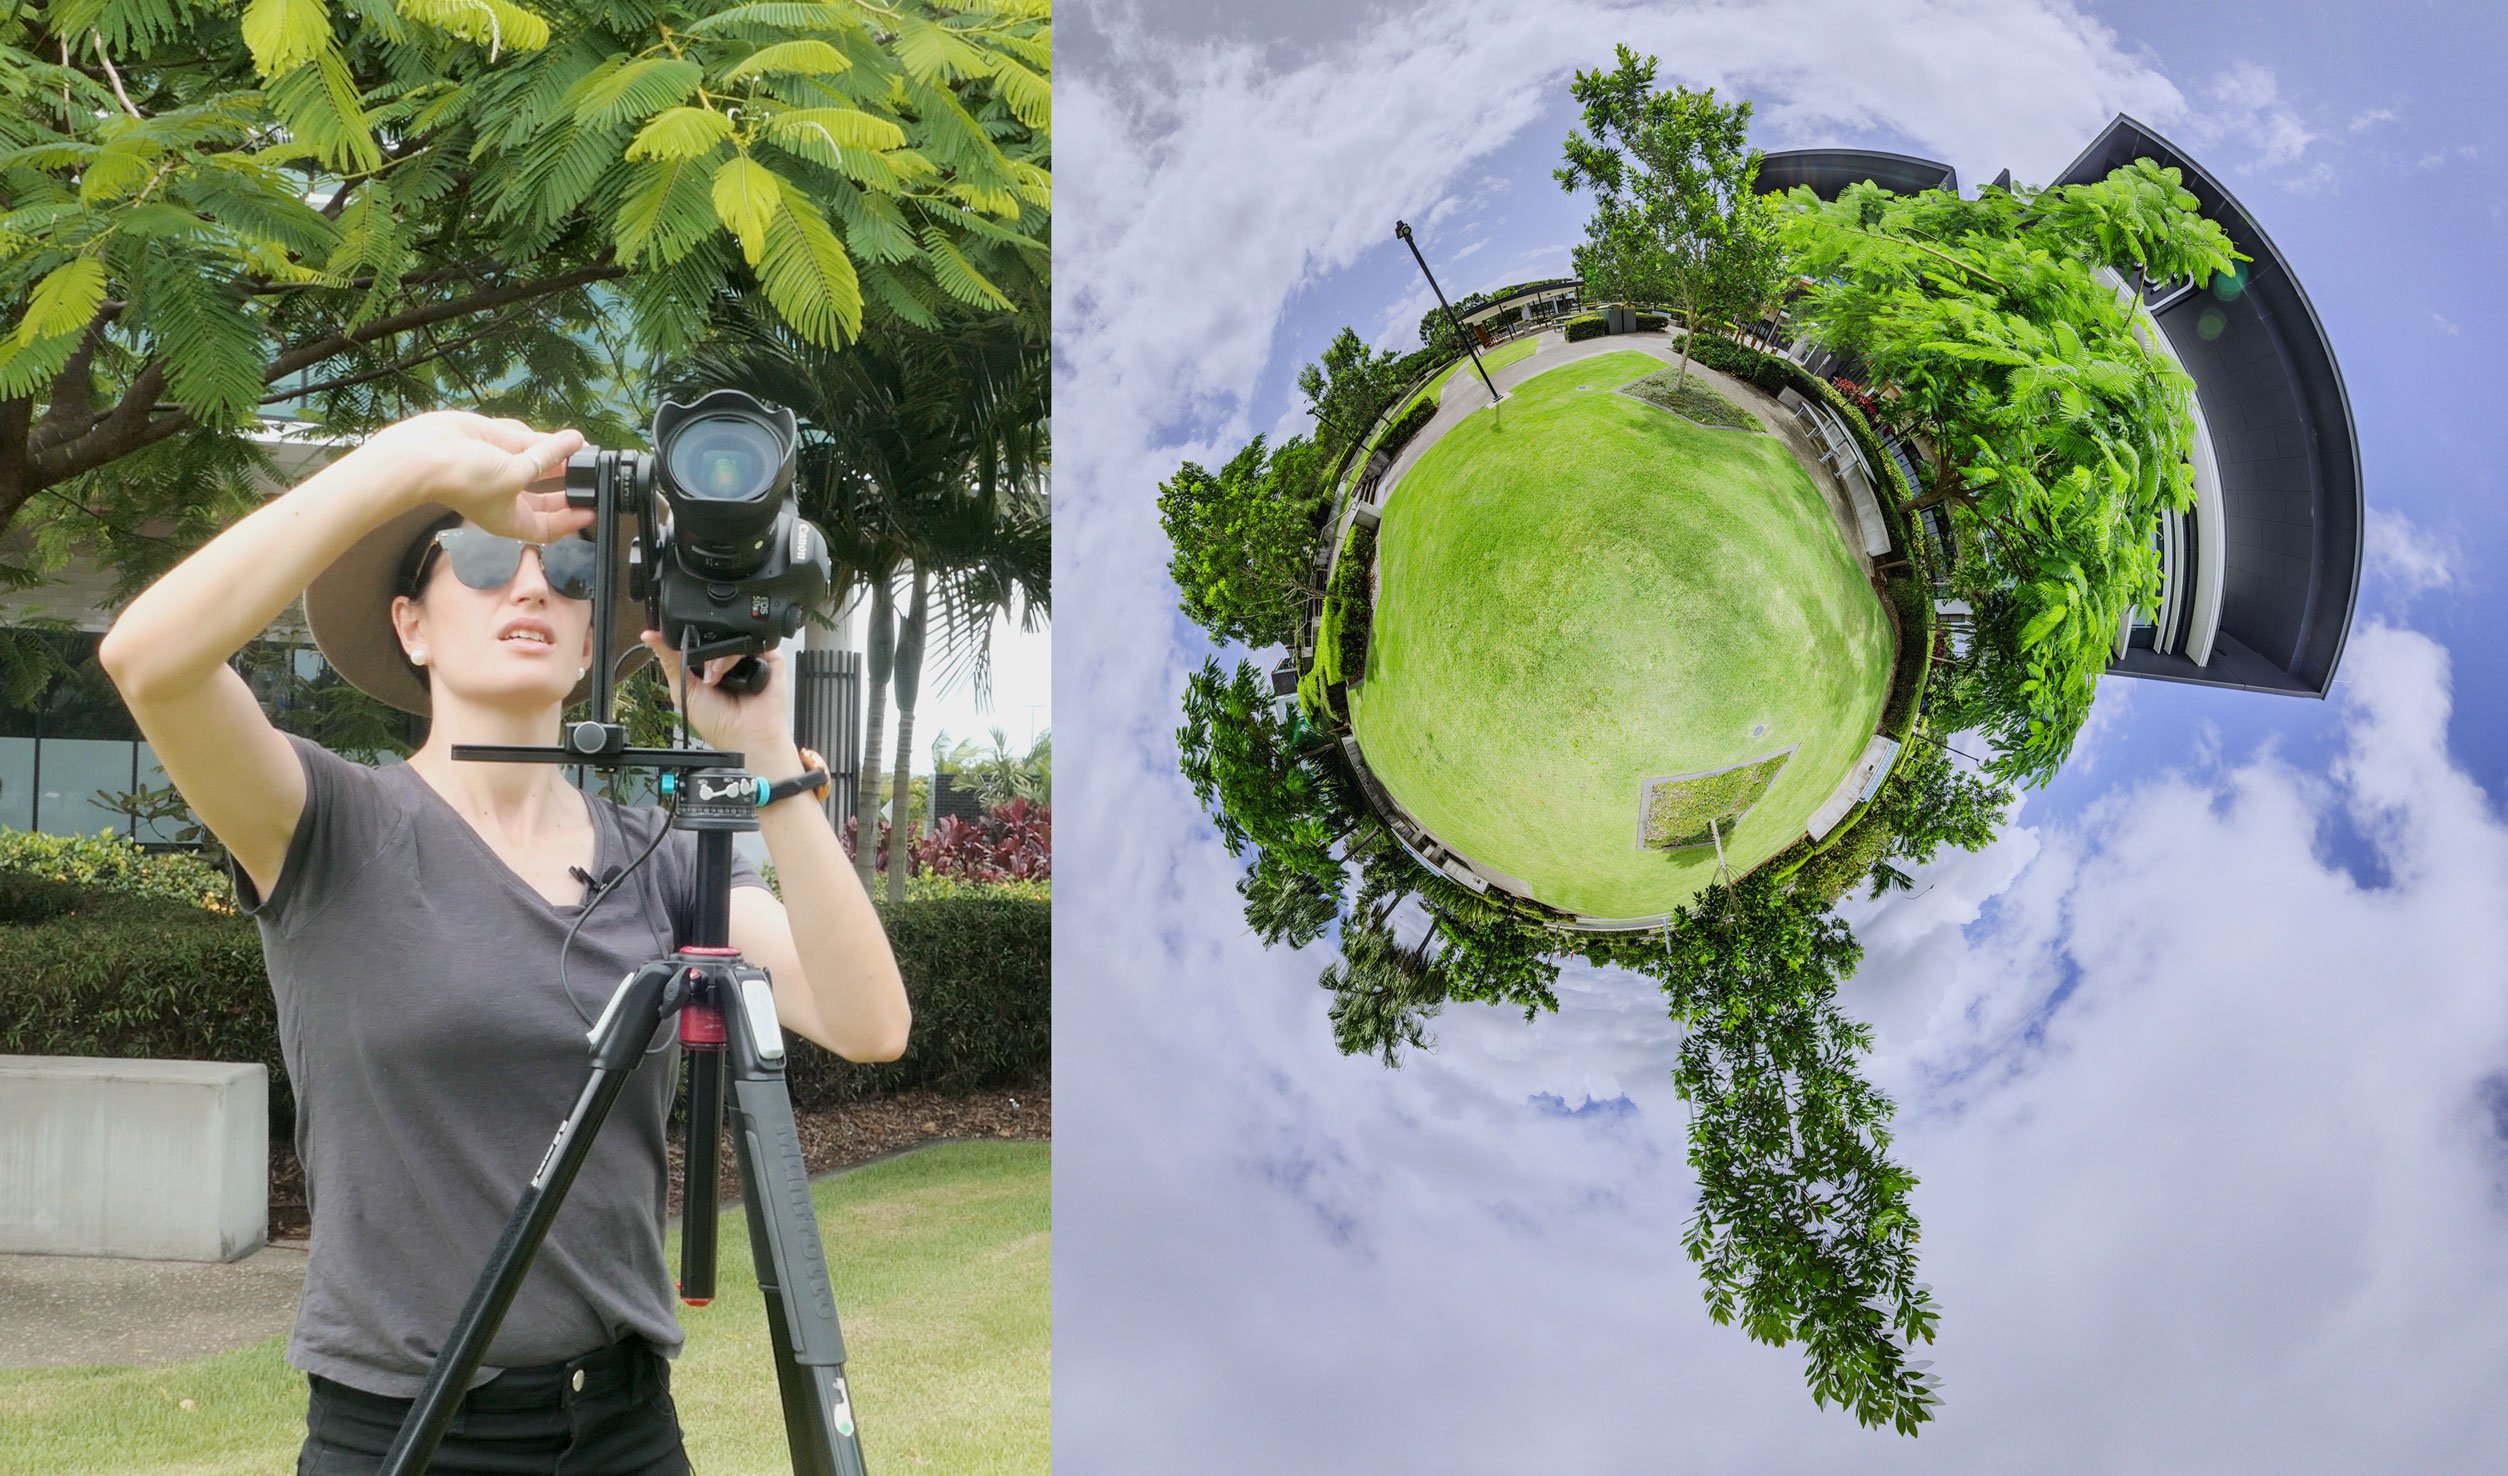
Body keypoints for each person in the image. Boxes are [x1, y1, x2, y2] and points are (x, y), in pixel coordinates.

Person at [99, 410, 911, 1476]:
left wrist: (767, 756)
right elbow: (147, 660)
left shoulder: (662, 854)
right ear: (412, 624)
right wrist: (418, 458)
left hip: (619, 1430)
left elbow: (868, 1022)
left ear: (590, 644)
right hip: (400, 1429)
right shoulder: (328, 823)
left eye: (571, 573)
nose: (532, 588)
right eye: (483, 558)